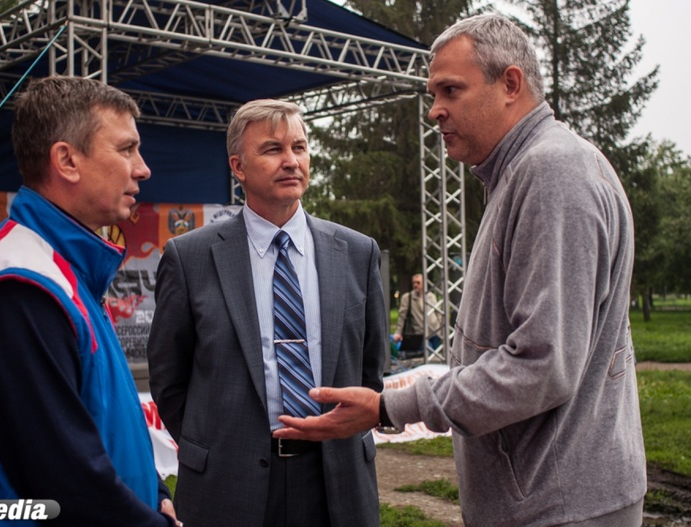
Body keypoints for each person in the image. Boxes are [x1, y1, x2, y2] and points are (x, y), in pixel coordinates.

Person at [275, 14, 646, 527]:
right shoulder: (525, 171)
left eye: (451, 90)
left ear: (510, 84)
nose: (434, 111)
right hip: (549, 498)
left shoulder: (550, 173)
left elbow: (542, 366)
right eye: (433, 94)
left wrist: (389, 407)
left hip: (558, 506)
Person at [0, 76, 179, 527]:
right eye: (126, 149)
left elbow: (107, 424)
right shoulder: (20, 285)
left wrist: (156, 492)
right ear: (67, 161)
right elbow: (64, 479)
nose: (143, 169)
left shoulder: (63, 272)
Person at [146, 98, 387, 527]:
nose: (291, 161)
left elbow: (370, 367)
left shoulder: (357, 252)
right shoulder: (190, 257)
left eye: (300, 147)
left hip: (337, 478)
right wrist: (216, 447)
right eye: (273, 149)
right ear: (238, 167)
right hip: (228, 482)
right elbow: (168, 378)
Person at [392, 273, 442, 354]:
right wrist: (398, 332)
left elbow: (438, 313)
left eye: (418, 283)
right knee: (428, 354)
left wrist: (441, 328)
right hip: (420, 334)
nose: (415, 285)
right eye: (414, 283)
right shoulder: (407, 297)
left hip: (435, 331)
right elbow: (402, 316)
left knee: (437, 356)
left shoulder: (431, 296)